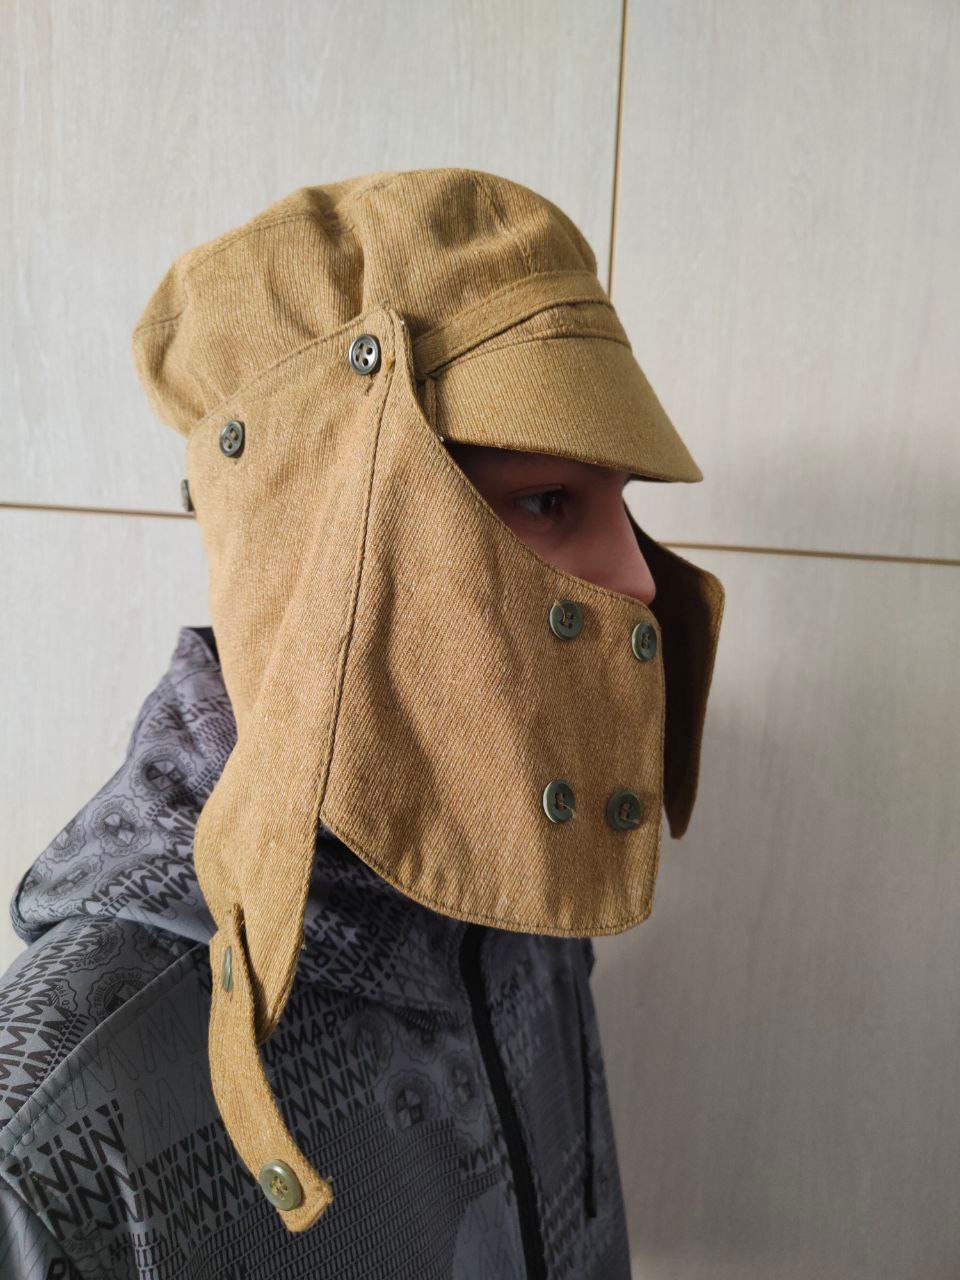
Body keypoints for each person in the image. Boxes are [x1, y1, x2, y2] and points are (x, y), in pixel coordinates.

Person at [0, 168, 724, 1278]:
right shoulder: (51, 1147)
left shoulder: (523, 870)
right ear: (316, 543)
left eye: (621, 502)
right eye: (549, 501)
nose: (634, 576)